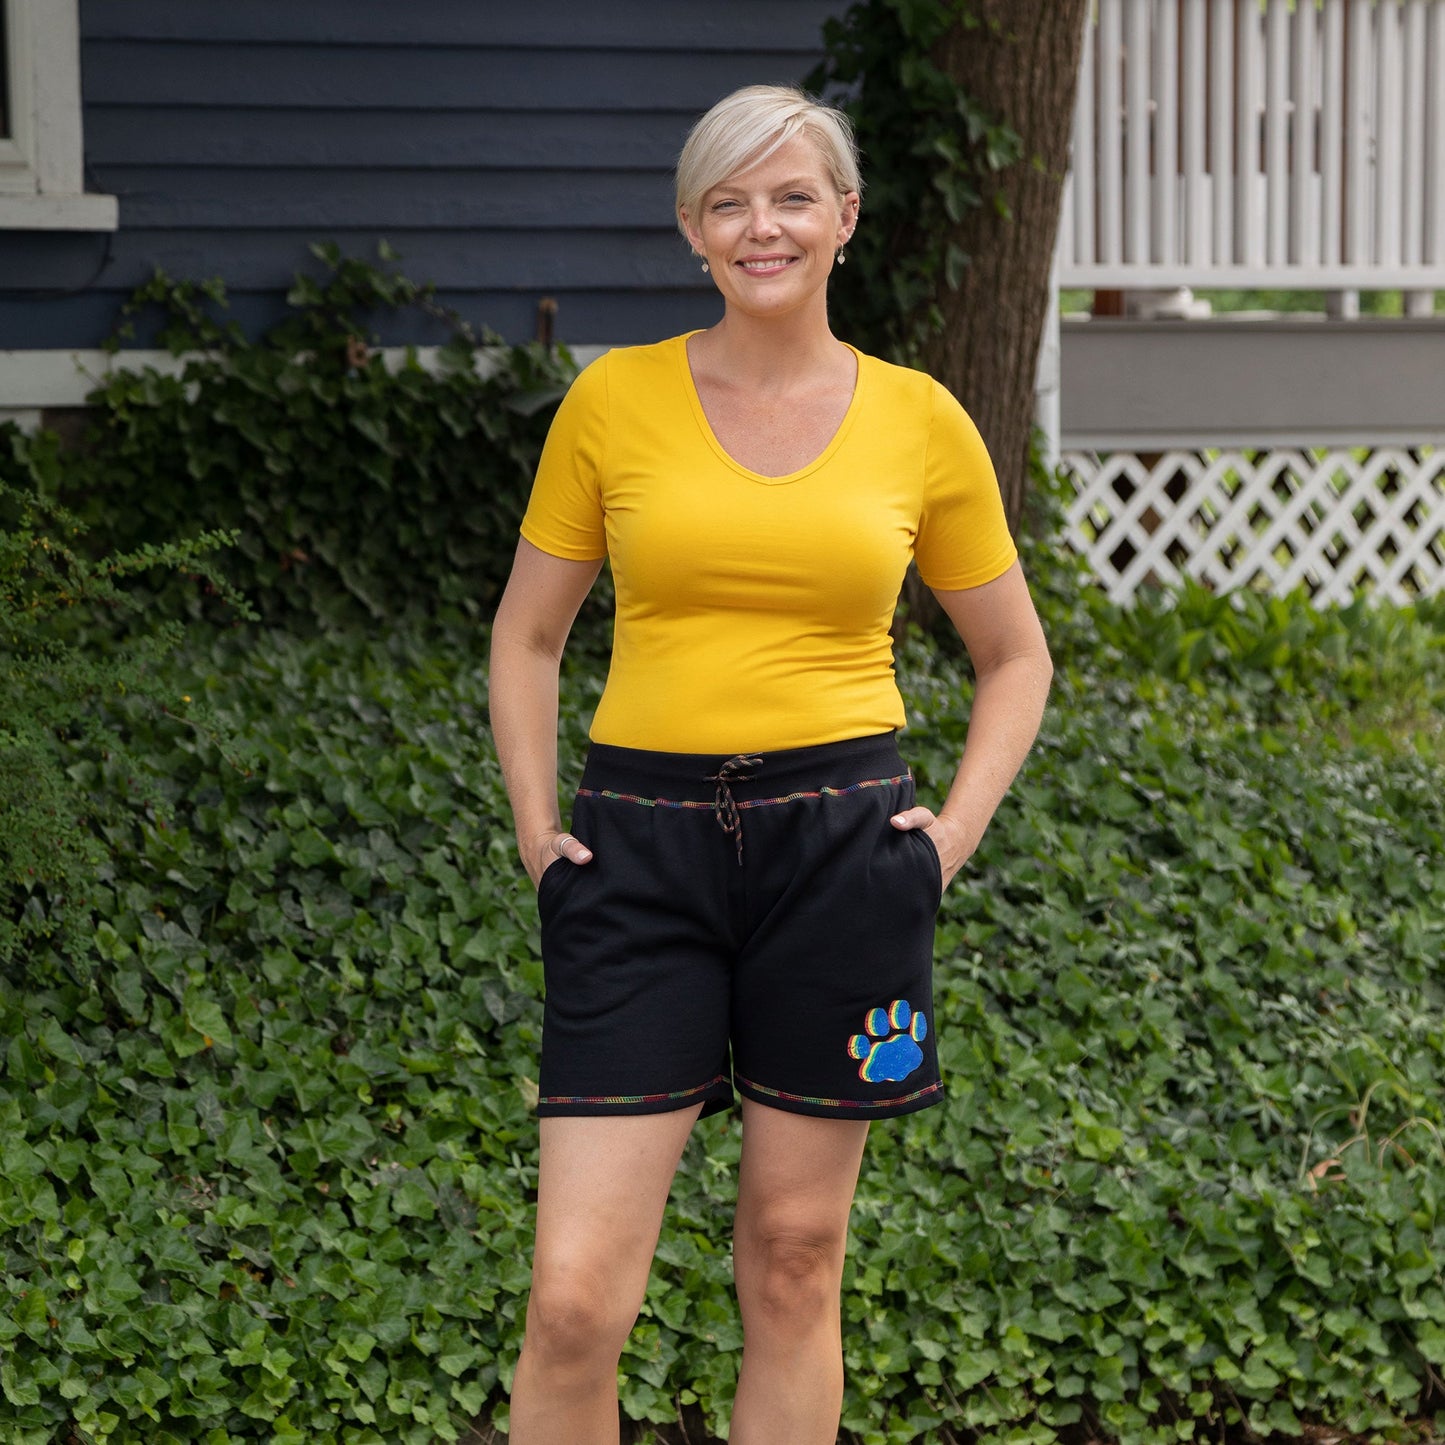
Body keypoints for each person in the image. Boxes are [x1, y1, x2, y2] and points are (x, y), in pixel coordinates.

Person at [488, 83, 1053, 1445]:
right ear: (692, 229)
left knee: (795, 1261)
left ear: (844, 217)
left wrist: (946, 839)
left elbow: (1015, 658)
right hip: (639, 856)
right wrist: (532, 827)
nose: (763, 225)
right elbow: (525, 635)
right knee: (572, 1299)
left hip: (843, 855)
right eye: (729, 200)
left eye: (792, 194)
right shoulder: (611, 401)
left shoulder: (921, 420)